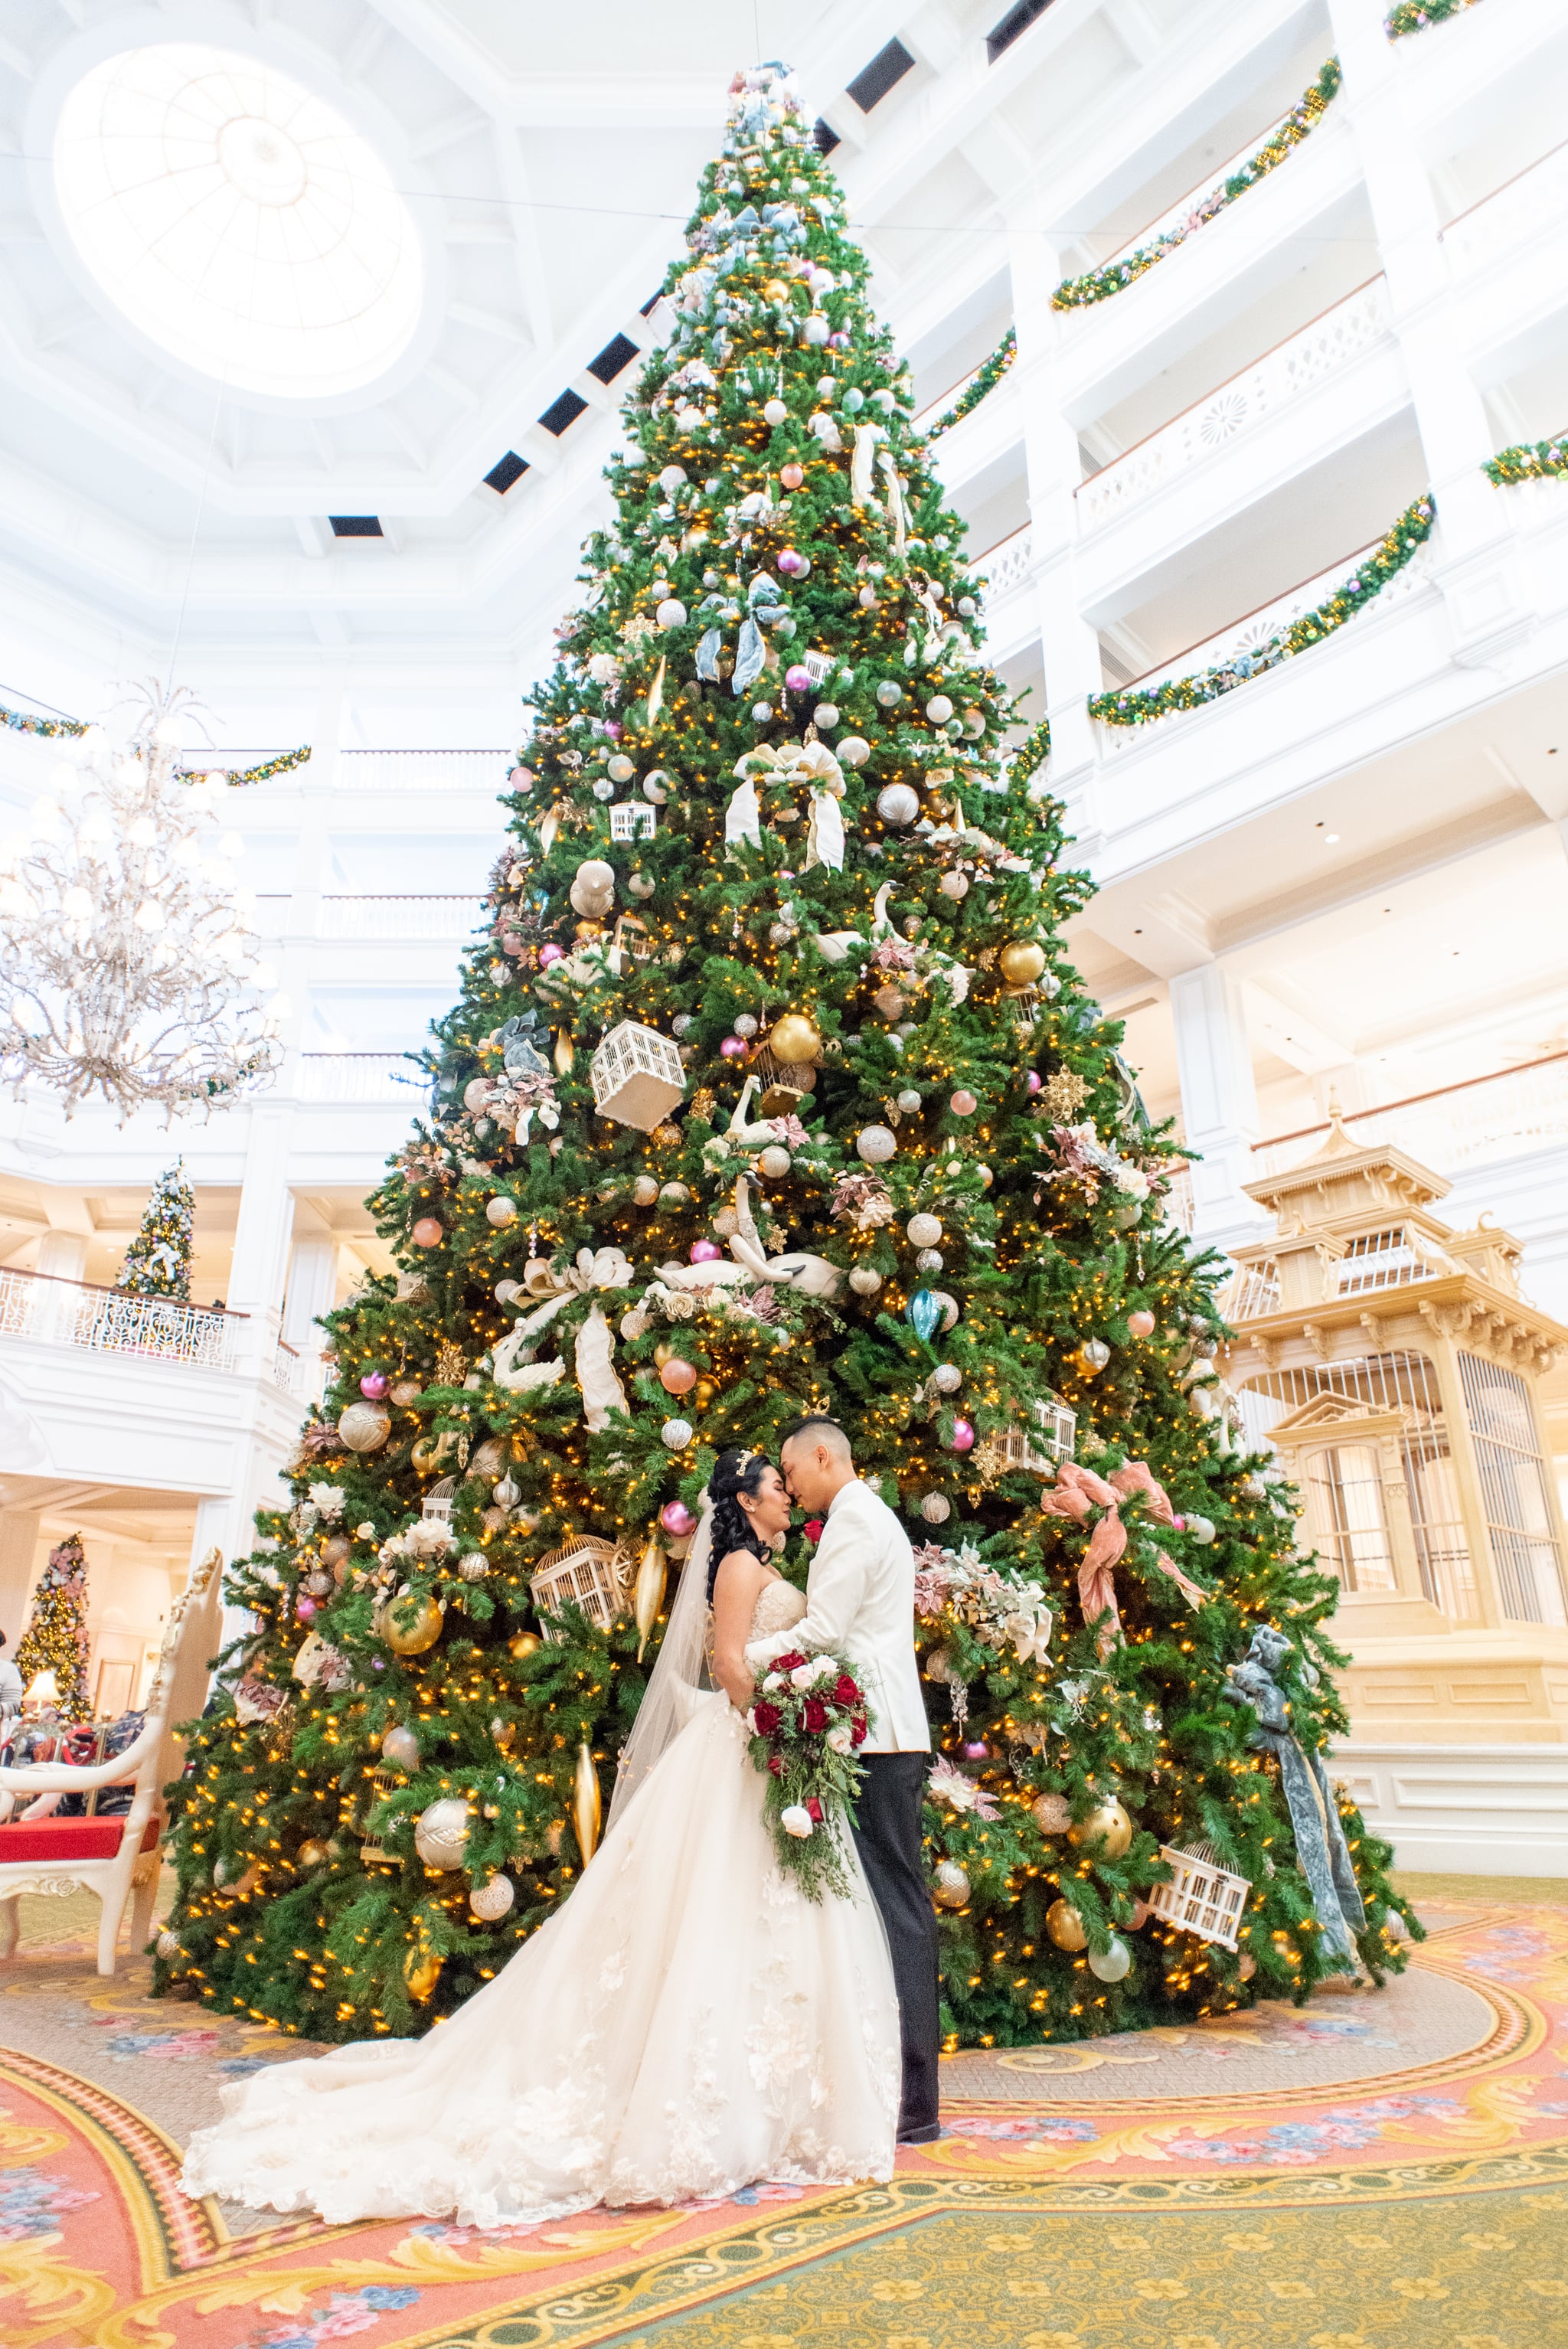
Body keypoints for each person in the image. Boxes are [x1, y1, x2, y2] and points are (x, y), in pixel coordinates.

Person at [180, 1448, 899, 2226]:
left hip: (762, 1754)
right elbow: (726, 1663)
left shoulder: (757, 1562)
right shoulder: (733, 1569)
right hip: (742, 1748)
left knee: (758, 1917)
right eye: (775, 1484)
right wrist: (780, 1719)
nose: (788, 1495)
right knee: (713, 1915)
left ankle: (774, 2096)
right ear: (745, 1498)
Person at [749, 1417, 939, 2145]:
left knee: (893, 1906)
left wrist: (746, 1655)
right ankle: (895, 2089)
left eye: (793, 1472)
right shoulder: (860, 1517)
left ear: (823, 1456)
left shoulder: (856, 1522)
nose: (790, 1488)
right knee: (883, 1905)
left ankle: (914, 2099)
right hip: (877, 1733)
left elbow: (825, 1631)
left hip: (880, 1737)